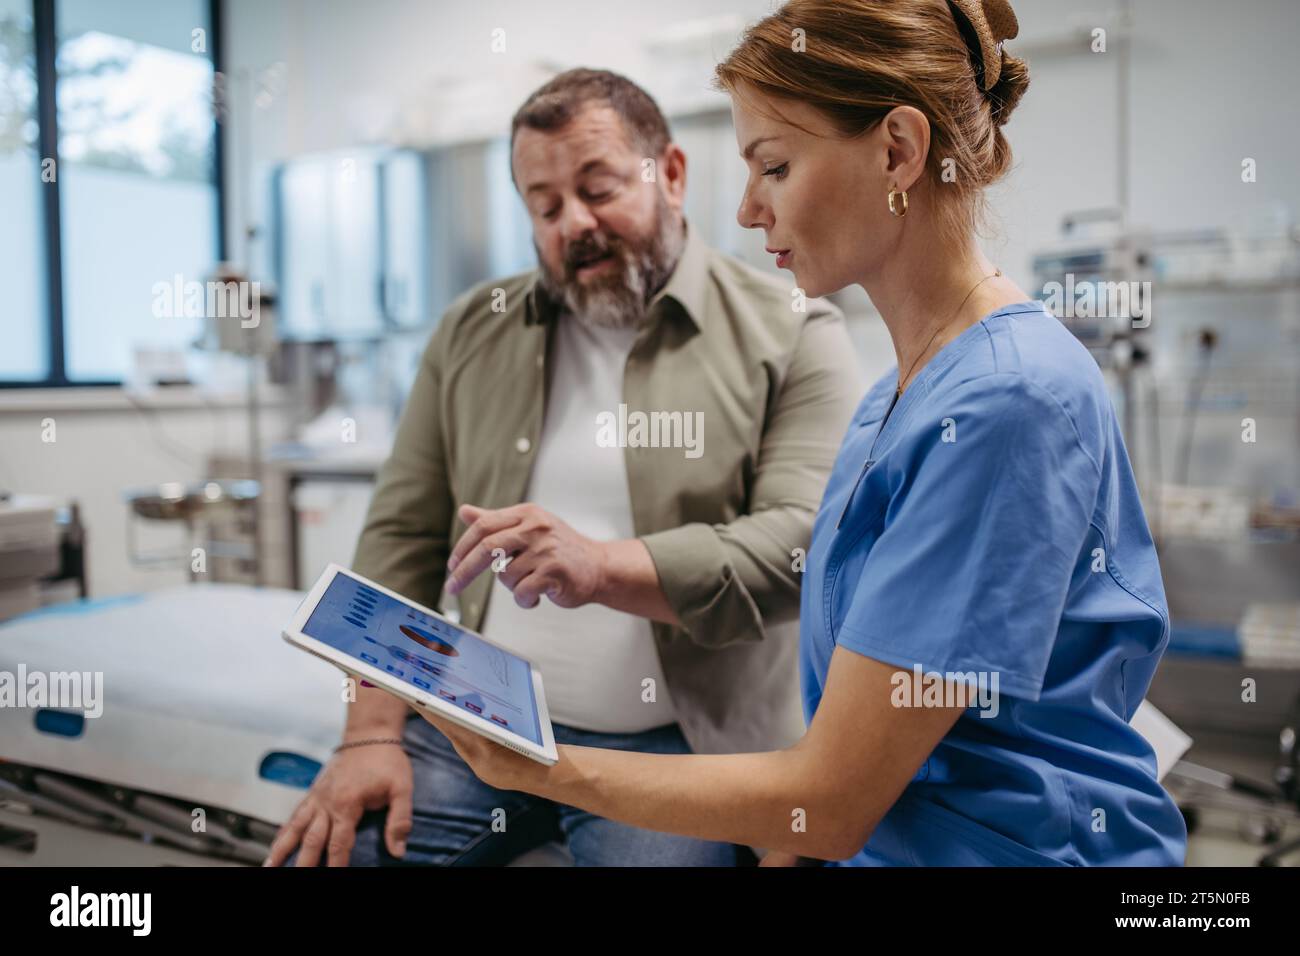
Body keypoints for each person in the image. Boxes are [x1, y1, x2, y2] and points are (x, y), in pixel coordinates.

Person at [412, 0, 1189, 866]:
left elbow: (827, 801)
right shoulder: (896, 398)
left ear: (897, 150)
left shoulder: (1008, 404)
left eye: (774, 167)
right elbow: (846, 733)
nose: (747, 211)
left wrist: (541, 768)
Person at [266, 68, 862, 867]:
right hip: (474, 729)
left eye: (599, 188)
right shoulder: (473, 331)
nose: (573, 223)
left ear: (672, 175)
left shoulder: (794, 331)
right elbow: (401, 536)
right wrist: (370, 733)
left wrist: (600, 564)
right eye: (545, 207)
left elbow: (800, 546)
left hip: (676, 750)